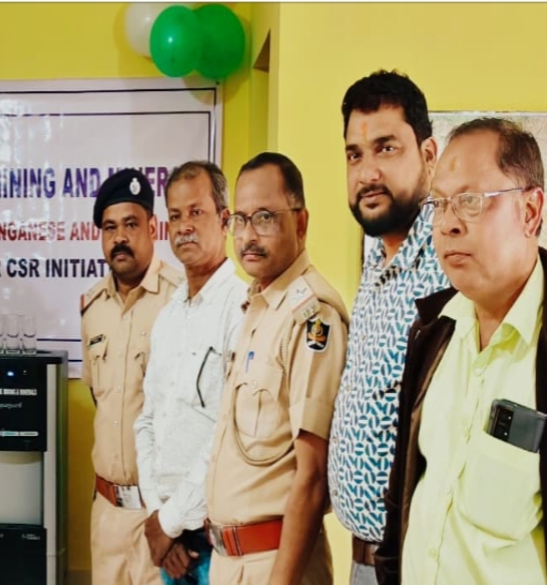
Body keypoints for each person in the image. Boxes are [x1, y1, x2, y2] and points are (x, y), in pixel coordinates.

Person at [376, 118, 547, 585]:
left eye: (470, 201)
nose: (448, 224)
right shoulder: (432, 332)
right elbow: (405, 495)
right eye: (438, 204)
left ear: (530, 211)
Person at [326, 70, 450, 585]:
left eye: (386, 148)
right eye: (354, 155)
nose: (367, 172)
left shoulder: (449, 263)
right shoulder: (377, 260)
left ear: (428, 155)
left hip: (416, 564)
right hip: (365, 560)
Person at [204, 152, 349, 585]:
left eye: (265, 218)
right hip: (231, 563)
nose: (248, 235)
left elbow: (312, 475)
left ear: (300, 223)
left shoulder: (312, 317)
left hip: (276, 564)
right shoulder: (260, 306)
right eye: (240, 219)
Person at [134, 161, 247, 585]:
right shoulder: (168, 316)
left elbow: (227, 434)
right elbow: (147, 420)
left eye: (196, 213)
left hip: (215, 538)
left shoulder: (240, 309)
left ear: (224, 220)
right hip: (170, 537)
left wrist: (169, 521)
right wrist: (158, 517)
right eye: (176, 215)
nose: (184, 227)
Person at [82, 169, 182, 585]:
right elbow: (100, 398)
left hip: (160, 515)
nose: (120, 237)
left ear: (152, 228)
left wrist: (176, 520)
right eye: (110, 228)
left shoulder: (181, 299)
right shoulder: (92, 308)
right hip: (107, 513)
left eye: (130, 225)